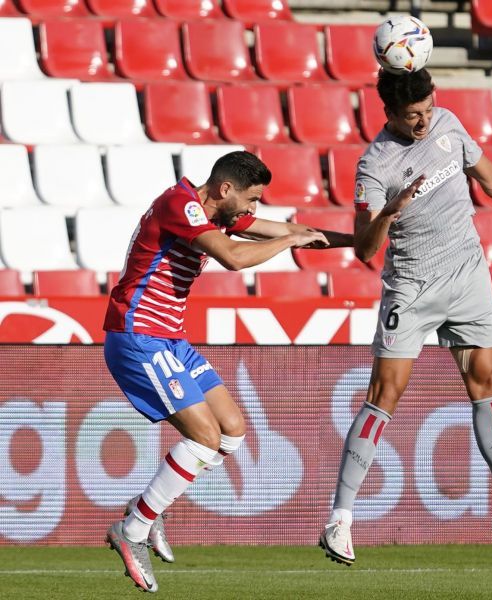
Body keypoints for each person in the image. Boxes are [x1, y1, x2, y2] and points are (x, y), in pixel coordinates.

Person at [318, 68, 492, 566]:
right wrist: (389, 211)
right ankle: (340, 519)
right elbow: (365, 250)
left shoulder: (449, 125)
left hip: (467, 276)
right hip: (412, 287)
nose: (423, 121)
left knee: (486, 379)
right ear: (390, 113)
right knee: (384, 394)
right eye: (413, 115)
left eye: (428, 109)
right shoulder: (375, 165)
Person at [103, 151, 352, 593]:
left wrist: (360, 239)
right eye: (251, 199)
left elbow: (293, 230)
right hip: (138, 334)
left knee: (232, 431)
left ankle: (147, 510)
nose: (254, 210)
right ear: (225, 189)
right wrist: (289, 244)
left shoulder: (216, 213)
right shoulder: (180, 205)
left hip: (171, 340)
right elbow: (235, 259)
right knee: (204, 437)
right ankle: (134, 529)